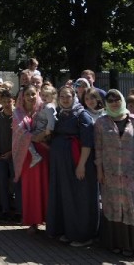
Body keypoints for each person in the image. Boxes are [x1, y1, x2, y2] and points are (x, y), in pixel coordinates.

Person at [96, 89, 134, 256]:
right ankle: (115, 243)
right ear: (107, 103)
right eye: (110, 100)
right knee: (113, 206)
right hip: (110, 173)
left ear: (121, 100)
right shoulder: (101, 122)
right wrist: (99, 171)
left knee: (132, 205)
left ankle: (132, 245)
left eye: (117, 99)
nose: (114, 102)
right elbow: (98, 149)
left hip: (132, 173)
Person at [46, 85, 98, 246]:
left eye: (68, 96)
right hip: (61, 164)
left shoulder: (82, 116)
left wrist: (81, 165)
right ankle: (67, 231)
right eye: (62, 97)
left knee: (79, 197)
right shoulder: (60, 114)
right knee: (65, 196)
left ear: (74, 96)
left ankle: (82, 235)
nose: (65, 99)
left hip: (77, 162)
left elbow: (87, 143)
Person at [12, 85, 49, 234]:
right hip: (27, 157)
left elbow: (50, 126)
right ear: (23, 96)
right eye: (28, 94)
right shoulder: (17, 113)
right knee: (31, 189)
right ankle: (33, 222)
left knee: (45, 186)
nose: (31, 97)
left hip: (44, 154)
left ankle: (48, 220)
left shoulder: (43, 109)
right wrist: (35, 137)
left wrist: (41, 136)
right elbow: (20, 131)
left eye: (33, 94)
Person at [0, 89, 19, 221]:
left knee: (16, 182)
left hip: (14, 156)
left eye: (9, 101)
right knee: (2, 183)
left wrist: (11, 153)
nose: (6, 104)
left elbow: (20, 138)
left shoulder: (17, 116)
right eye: (3, 101)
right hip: (0, 156)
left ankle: (19, 210)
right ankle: (5, 209)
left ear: (13, 100)